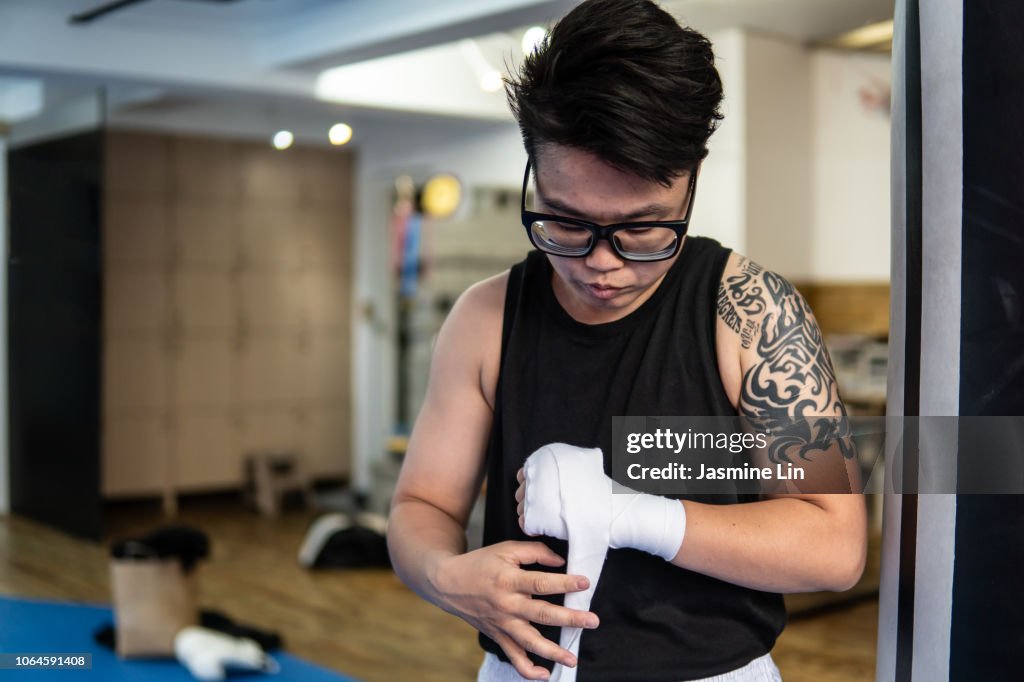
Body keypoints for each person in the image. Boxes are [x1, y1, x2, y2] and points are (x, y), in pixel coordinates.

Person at [386, 0, 867, 679]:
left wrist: (628, 514)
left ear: (692, 175)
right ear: (533, 172)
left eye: (643, 228)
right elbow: (421, 505)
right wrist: (444, 573)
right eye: (567, 222)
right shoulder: (485, 319)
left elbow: (833, 545)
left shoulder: (753, 313)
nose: (601, 262)